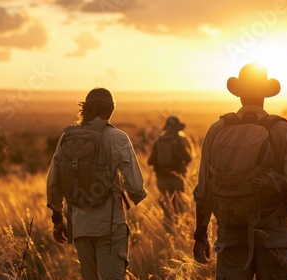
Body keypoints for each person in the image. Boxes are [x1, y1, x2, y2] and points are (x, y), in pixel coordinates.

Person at [193, 63, 287, 279]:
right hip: (273, 232)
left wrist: (200, 236)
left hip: (230, 229)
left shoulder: (216, 129)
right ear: (265, 95)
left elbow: (204, 189)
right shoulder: (283, 130)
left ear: (239, 95)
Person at [47, 88, 148, 280]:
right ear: (111, 111)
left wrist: (57, 218)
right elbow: (135, 187)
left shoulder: (67, 137)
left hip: (79, 227)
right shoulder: (118, 138)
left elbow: (53, 180)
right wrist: (138, 196)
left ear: (86, 109)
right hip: (109, 227)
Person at [147, 116, 192, 230]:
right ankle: (181, 232)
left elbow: (150, 161)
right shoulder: (179, 140)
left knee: (167, 208)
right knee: (179, 207)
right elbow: (188, 158)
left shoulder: (159, 142)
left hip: (161, 179)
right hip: (177, 179)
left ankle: (169, 232)